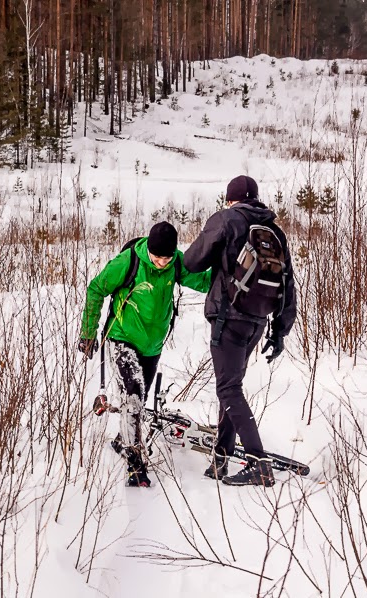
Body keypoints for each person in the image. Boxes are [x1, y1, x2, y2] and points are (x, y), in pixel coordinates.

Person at [183, 175, 296, 487]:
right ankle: (221, 455)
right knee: (229, 384)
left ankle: (258, 462)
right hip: (258, 322)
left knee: (228, 388)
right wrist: (280, 330)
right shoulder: (274, 231)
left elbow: (193, 262)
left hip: (227, 318)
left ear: (230, 198)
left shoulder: (226, 219)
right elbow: (288, 283)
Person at [79, 222, 211, 487]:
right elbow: (96, 288)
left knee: (138, 399)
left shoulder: (176, 263)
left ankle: (121, 439)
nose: (161, 262)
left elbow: (203, 282)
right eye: (156, 257)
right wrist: (88, 331)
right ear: (148, 249)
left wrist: (231, 271)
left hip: (152, 346)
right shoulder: (128, 262)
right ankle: (134, 462)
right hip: (121, 337)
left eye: (166, 257)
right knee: (133, 395)